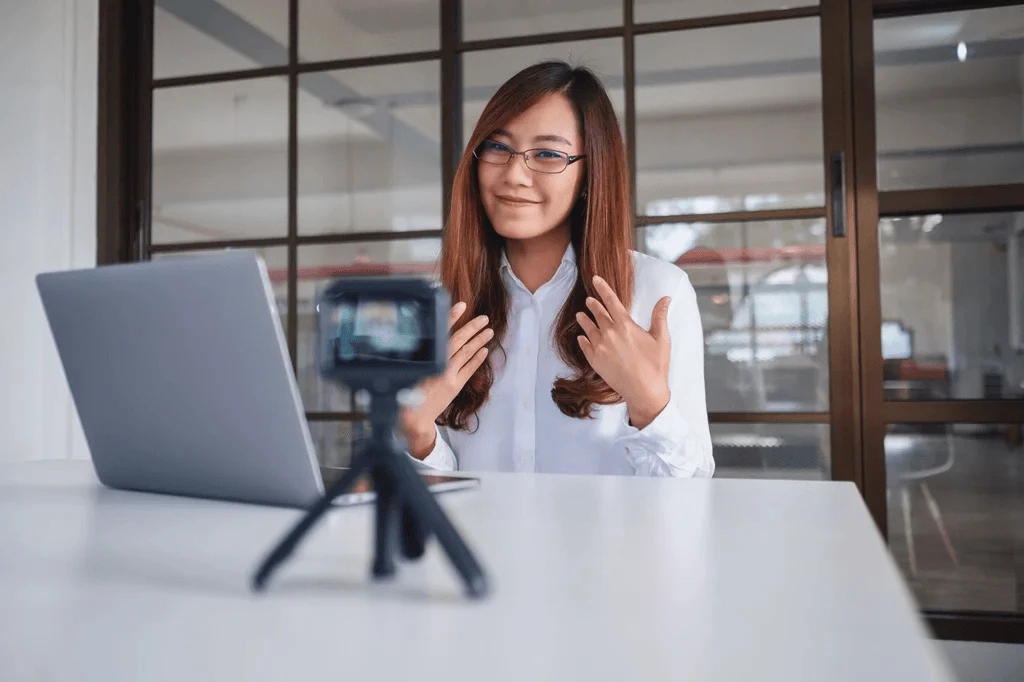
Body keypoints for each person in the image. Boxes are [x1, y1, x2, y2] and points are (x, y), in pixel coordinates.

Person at [399, 60, 714, 477]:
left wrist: (648, 399)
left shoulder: (657, 291)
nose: (514, 174)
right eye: (497, 147)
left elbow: (690, 495)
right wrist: (418, 432)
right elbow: (424, 500)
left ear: (589, 174)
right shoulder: (440, 304)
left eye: (547, 154)